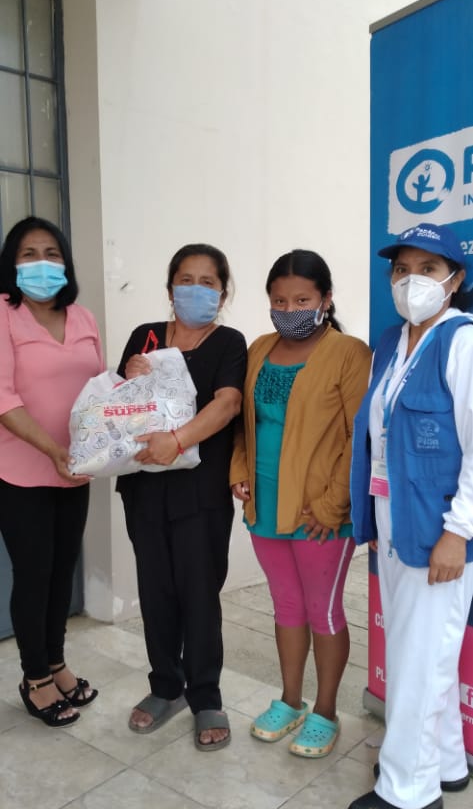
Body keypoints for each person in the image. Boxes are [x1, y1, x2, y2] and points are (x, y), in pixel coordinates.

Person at [349, 223, 473, 809]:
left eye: (427, 268)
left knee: (419, 659)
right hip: (393, 518)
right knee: (420, 651)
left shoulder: (463, 342)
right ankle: (445, 761)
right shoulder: (390, 342)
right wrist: (372, 516)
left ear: (455, 280)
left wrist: (458, 531)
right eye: (402, 269)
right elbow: (378, 437)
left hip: (439, 528)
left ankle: (409, 788)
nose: (411, 280)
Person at [230, 249, 371, 756]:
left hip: (321, 513)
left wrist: (334, 504)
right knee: (286, 605)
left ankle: (326, 711)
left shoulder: (350, 353)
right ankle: (290, 700)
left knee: (322, 610)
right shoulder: (259, 348)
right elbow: (242, 424)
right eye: (279, 300)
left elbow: (360, 436)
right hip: (265, 505)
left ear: (326, 299)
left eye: (302, 300)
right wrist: (239, 472)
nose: (289, 310)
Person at [117, 243, 246, 750]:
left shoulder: (229, 342)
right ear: (170, 289)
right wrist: (128, 380)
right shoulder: (145, 336)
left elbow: (228, 403)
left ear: (223, 293)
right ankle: (165, 687)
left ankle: (206, 695)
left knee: (199, 593)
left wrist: (178, 439)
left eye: (207, 282)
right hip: (145, 484)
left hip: (200, 490)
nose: (196, 289)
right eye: (185, 280)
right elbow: (118, 404)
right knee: (156, 591)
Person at [0, 216, 104, 726]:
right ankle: (35, 677)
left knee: (63, 570)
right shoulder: (4, 315)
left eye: (52, 253)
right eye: (29, 254)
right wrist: (52, 450)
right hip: (20, 471)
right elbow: (3, 398)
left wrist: (100, 445)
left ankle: (57, 662)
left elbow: (98, 391)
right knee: (34, 573)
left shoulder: (83, 317)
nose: (42, 263)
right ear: (11, 264)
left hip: (76, 469)